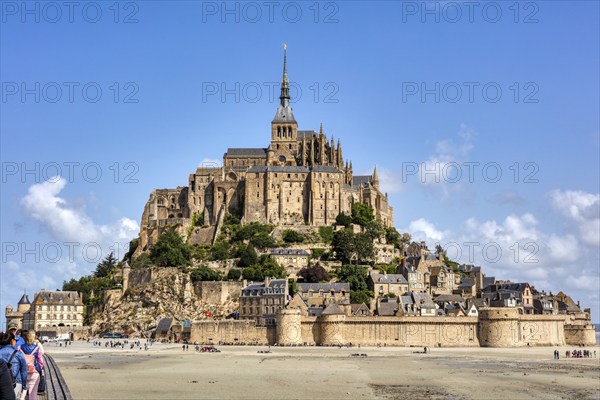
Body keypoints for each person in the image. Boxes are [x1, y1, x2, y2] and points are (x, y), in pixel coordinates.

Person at [0, 331, 27, 399]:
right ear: (12, 341)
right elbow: (24, 372)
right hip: (16, 382)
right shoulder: (18, 354)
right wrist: (24, 386)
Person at [19, 330, 43, 400]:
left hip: (23, 372)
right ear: (35, 337)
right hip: (34, 372)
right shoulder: (37, 348)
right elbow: (40, 360)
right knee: (33, 395)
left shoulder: (20, 347)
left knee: (22, 393)